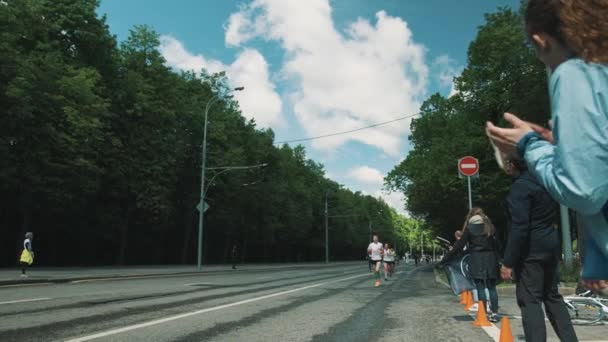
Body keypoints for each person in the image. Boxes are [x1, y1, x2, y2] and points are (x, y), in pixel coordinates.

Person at [486, 0, 608, 292]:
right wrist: (557, 143)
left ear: (540, 40)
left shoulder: (574, 72)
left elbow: (584, 191)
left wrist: (529, 145)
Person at [500, 156, 578, 341]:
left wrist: (508, 262)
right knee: (552, 297)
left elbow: (519, 226)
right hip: (550, 246)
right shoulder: (546, 184)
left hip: (530, 251)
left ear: (513, 164)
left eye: (506, 162)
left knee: (530, 300)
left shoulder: (520, 187)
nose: (505, 167)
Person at [442, 208, 500, 322]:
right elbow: (497, 245)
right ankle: (494, 313)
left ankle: (483, 313)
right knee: (492, 288)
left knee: (480, 287)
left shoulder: (470, 228)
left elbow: (459, 246)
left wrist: (446, 258)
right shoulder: (490, 227)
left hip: (476, 259)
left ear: (471, 217)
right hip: (491, 259)